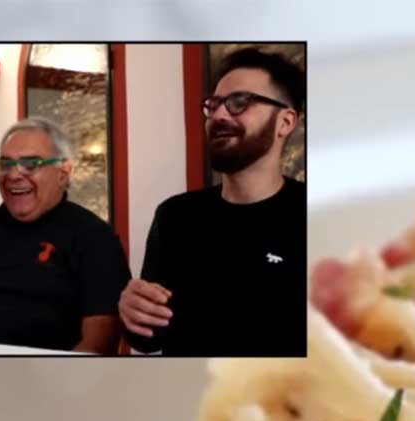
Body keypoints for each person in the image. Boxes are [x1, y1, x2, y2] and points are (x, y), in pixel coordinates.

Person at [118, 47, 306, 356]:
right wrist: (133, 311)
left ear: (285, 122)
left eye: (239, 103)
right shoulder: (176, 216)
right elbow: (149, 339)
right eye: (213, 105)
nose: (218, 115)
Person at [0, 117, 129, 353]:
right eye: (5, 164)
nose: (13, 175)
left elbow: (98, 342)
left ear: (63, 172)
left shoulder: (94, 236)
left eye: (31, 164)